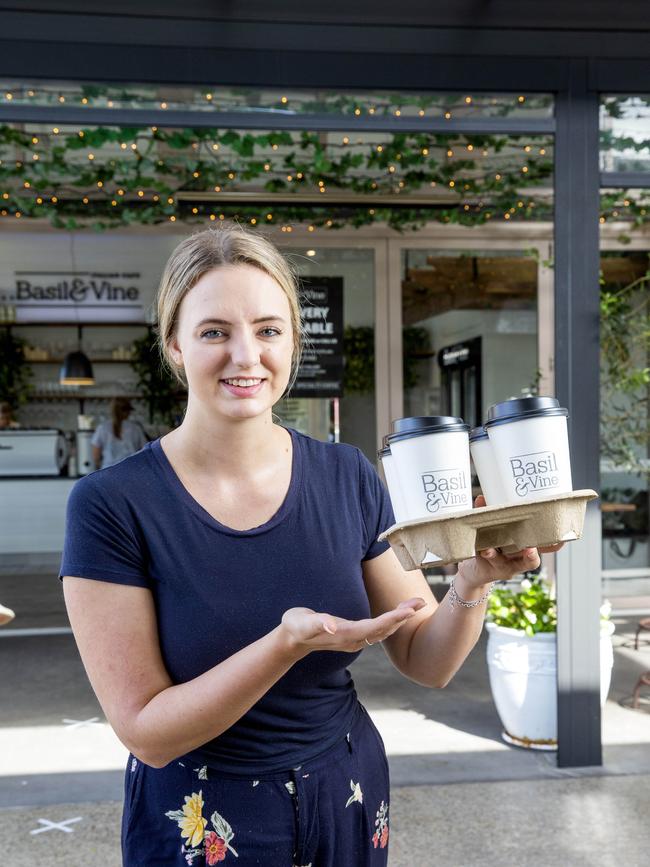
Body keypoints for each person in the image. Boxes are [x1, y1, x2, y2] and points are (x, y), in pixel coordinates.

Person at [61, 224, 562, 866]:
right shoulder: (112, 504)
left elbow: (426, 659)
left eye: (269, 330)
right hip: (200, 819)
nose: (246, 356)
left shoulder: (345, 475)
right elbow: (148, 734)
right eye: (215, 331)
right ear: (175, 345)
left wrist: (471, 582)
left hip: (345, 793)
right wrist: (283, 646)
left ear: (294, 341)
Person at [91, 396, 148, 470]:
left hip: (108, 470)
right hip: (131, 470)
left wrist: (97, 467)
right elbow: (145, 451)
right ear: (127, 411)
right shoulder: (135, 428)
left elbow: (96, 456)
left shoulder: (102, 428)